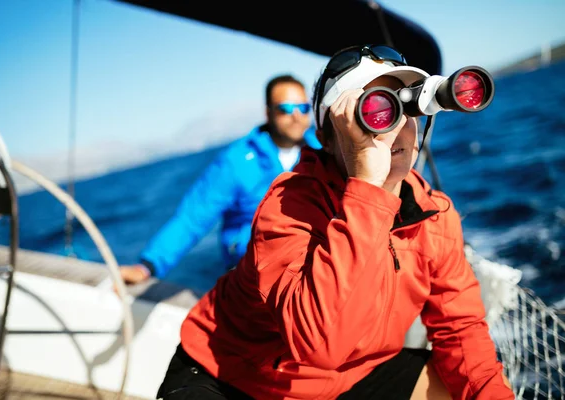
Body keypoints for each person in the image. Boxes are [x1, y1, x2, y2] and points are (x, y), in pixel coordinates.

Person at [155, 44, 515, 400]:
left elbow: (460, 330)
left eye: (403, 108)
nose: (394, 130)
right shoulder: (286, 206)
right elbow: (320, 344)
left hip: (348, 375)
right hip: (236, 378)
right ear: (327, 139)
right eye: (373, 112)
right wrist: (369, 188)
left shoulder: (434, 215)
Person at [118, 74, 320, 284]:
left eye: (303, 108)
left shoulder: (321, 151)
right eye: (285, 109)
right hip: (252, 274)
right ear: (268, 112)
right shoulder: (237, 161)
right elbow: (192, 217)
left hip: (307, 266)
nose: (296, 116)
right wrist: (148, 266)